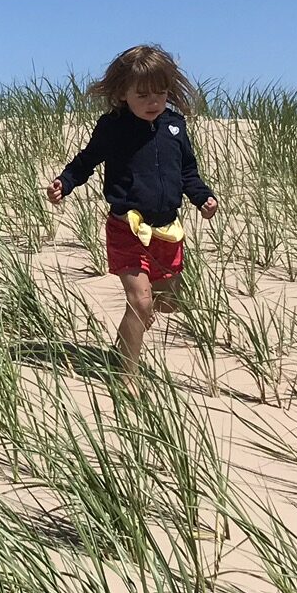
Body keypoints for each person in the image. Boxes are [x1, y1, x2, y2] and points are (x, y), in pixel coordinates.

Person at [47, 44, 218, 373]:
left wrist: (203, 198)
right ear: (122, 93)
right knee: (140, 301)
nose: (153, 102)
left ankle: (126, 339)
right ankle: (127, 377)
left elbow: (187, 172)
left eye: (160, 93)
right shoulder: (113, 127)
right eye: (142, 95)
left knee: (168, 303)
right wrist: (64, 183)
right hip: (127, 228)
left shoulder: (174, 126)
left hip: (167, 231)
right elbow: (86, 161)